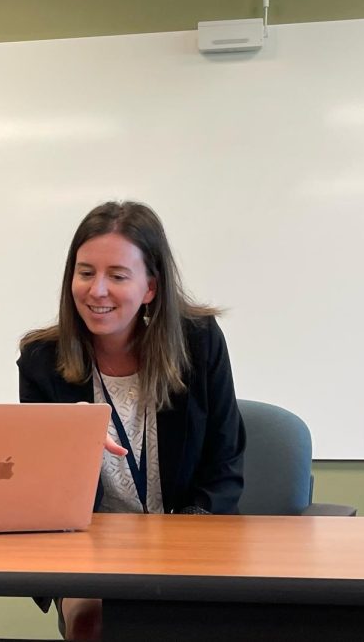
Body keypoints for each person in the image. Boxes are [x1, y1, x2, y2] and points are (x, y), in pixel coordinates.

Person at [17, 201, 245, 641]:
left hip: (189, 544)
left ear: (150, 287)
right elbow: (41, 497)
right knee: (94, 625)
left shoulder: (199, 344)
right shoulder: (41, 361)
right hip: (92, 553)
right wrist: (66, 442)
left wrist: (181, 541)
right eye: (85, 272)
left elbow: (225, 464)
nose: (97, 290)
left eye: (117, 276)